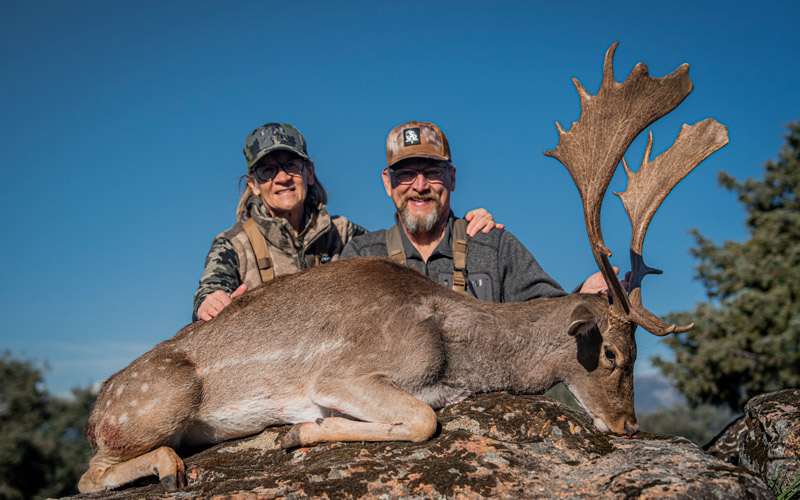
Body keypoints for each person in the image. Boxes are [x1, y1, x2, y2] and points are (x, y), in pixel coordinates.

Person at [193, 123, 502, 321]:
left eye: (291, 165)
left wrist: (461, 226)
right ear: (253, 184)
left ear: (309, 172)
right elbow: (210, 292)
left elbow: (409, 243)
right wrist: (209, 302)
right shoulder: (233, 245)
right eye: (267, 171)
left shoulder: (346, 235)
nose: (283, 178)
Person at [341, 120, 617, 302]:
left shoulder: (494, 247)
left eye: (433, 172)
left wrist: (583, 298)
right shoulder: (361, 256)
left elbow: (546, 315)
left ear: (452, 178)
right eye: (406, 174)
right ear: (387, 183)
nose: (420, 185)